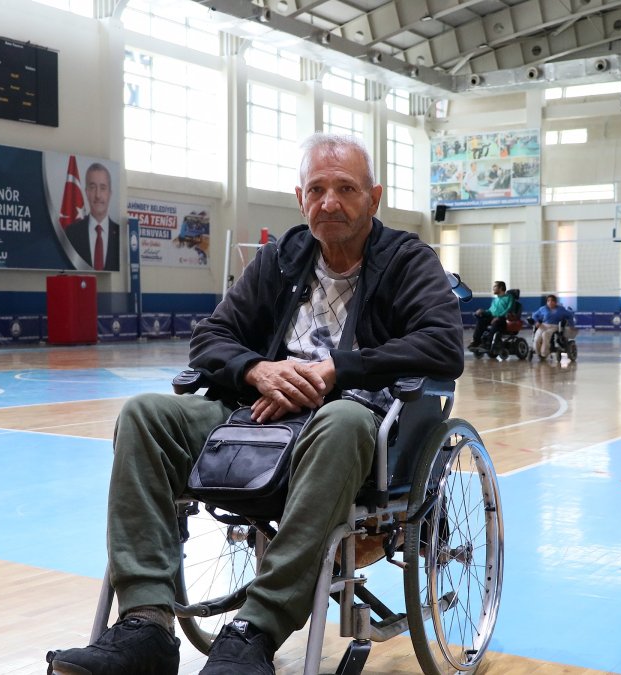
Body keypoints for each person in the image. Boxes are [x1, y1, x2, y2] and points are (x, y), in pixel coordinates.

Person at [46, 133, 464, 675]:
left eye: (345, 189)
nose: (329, 202)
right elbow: (210, 337)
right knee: (144, 415)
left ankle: (255, 631)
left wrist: (338, 369)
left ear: (374, 198)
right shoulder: (280, 260)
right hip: (259, 417)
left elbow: (442, 345)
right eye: (317, 189)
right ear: (300, 198)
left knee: (341, 419)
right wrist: (256, 370)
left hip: (356, 422)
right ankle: (145, 624)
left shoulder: (408, 260)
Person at [66, 163, 121, 271]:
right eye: (92, 187)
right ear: (86, 192)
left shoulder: (119, 234)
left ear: (110, 193)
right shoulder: (71, 233)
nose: (98, 195)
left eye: (103, 188)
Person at [469, 280, 514, 349]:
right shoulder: (495, 300)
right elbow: (490, 311)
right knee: (481, 320)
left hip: (503, 320)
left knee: (496, 322)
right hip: (493, 318)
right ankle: (476, 341)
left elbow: (509, 309)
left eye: (495, 286)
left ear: (501, 288)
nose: (493, 288)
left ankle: (488, 343)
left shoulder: (509, 297)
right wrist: (483, 311)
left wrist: (499, 317)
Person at [532, 293, 574, 360]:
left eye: (552, 300)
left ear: (555, 302)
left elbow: (570, 315)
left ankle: (544, 352)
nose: (550, 302)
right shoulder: (543, 308)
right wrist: (536, 321)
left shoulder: (561, 309)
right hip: (543, 325)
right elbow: (534, 315)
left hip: (554, 326)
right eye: (548, 301)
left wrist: (571, 325)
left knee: (545, 334)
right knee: (537, 338)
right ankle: (538, 352)